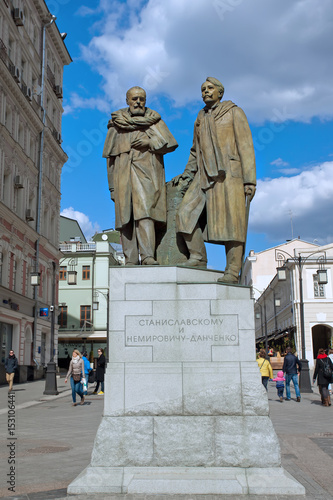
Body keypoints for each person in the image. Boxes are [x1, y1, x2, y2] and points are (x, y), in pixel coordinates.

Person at [173, 77, 256, 282]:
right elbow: (195, 150)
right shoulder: (200, 117)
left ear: (220, 92)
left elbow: (246, 146)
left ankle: (232, 271)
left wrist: (249, 180)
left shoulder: (234, 112)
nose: (206, 92)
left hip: (229, 174)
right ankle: (198, 256)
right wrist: (187, 174)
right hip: (203, 174)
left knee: (232, 224)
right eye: (203, 89)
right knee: (184, 214)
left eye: (210, 88)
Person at [103, 86, 178, 265]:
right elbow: (110, 159)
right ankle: (130, 259)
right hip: (122, 176)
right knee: (125, 219)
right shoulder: (116, 125)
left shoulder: (154, 121)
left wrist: (150, 141)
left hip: (147, 176)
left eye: (141, 99)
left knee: (145, 215)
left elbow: (171, 143)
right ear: (127, 101)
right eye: (134, 99)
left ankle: (147, 256)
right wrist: (112, 186)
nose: (138, 102)